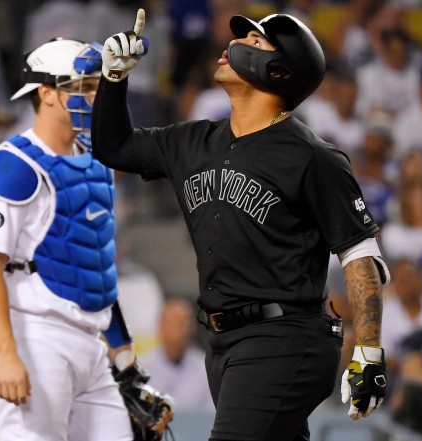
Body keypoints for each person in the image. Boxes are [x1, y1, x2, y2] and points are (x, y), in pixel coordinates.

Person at [92, 9, 391, 441]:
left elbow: (361, 255)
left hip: (287, 337)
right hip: (222, 341)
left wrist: (368, 350)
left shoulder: (313, 156)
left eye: (254, 43)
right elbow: (113, 146)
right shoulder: (192, 141)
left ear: (280, 71)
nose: (234, 46)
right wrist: (114, 79)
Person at [0, 38, 149, 441]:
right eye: (82, 87)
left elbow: (94, 263)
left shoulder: (98, 161)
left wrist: (121, 349)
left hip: (90, 343)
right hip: (34, 335)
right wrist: (6, 353)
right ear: (46, 93)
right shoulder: (15, 164)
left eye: (96, 86)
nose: (93, 95)